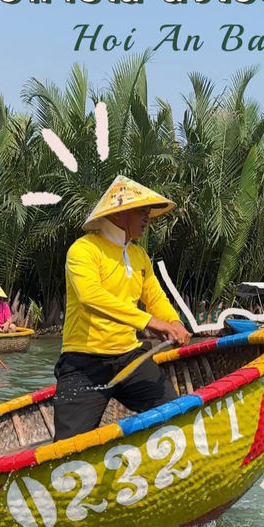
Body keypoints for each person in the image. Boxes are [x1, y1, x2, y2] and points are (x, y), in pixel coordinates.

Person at [53, 175, 191, 441]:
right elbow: (91, 296)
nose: (147, 217)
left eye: (148, 211)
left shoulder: (140, 256)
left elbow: (156, 298)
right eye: (142, 210)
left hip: (130, 358)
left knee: (175, 418)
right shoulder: (83, 250)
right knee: (66, 451)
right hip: (84, 362)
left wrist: (174, 322)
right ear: (120, 213)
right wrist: (151, 323)